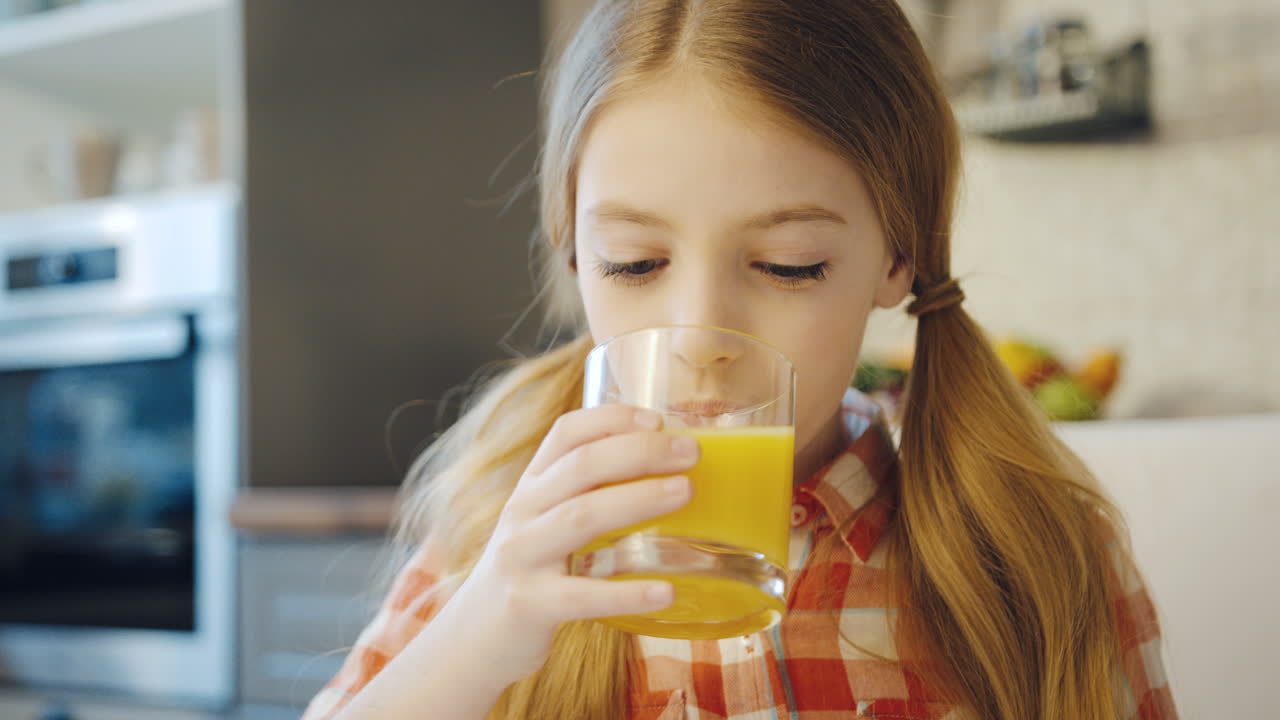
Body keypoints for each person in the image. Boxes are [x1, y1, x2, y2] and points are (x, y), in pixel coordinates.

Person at [302, 1, 1178, 718]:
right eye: (636, 264)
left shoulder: (1036, 558)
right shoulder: (500, 530)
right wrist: (482, 630)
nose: (702, 339)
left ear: (898, 255)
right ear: (576, 254)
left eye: (789, 266)